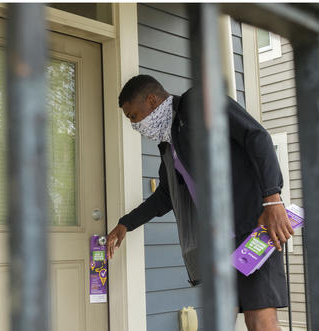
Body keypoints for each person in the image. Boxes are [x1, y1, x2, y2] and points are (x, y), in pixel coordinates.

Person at [106, 75, 295, 331]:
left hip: (252, 227)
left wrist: (272, 200)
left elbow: (256, 136)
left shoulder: (197, 103)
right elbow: (165, 196)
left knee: (260, 318)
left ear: (151, 100)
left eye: (133, 115)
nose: (134, 124)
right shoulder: (168, 143)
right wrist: (125, 224)